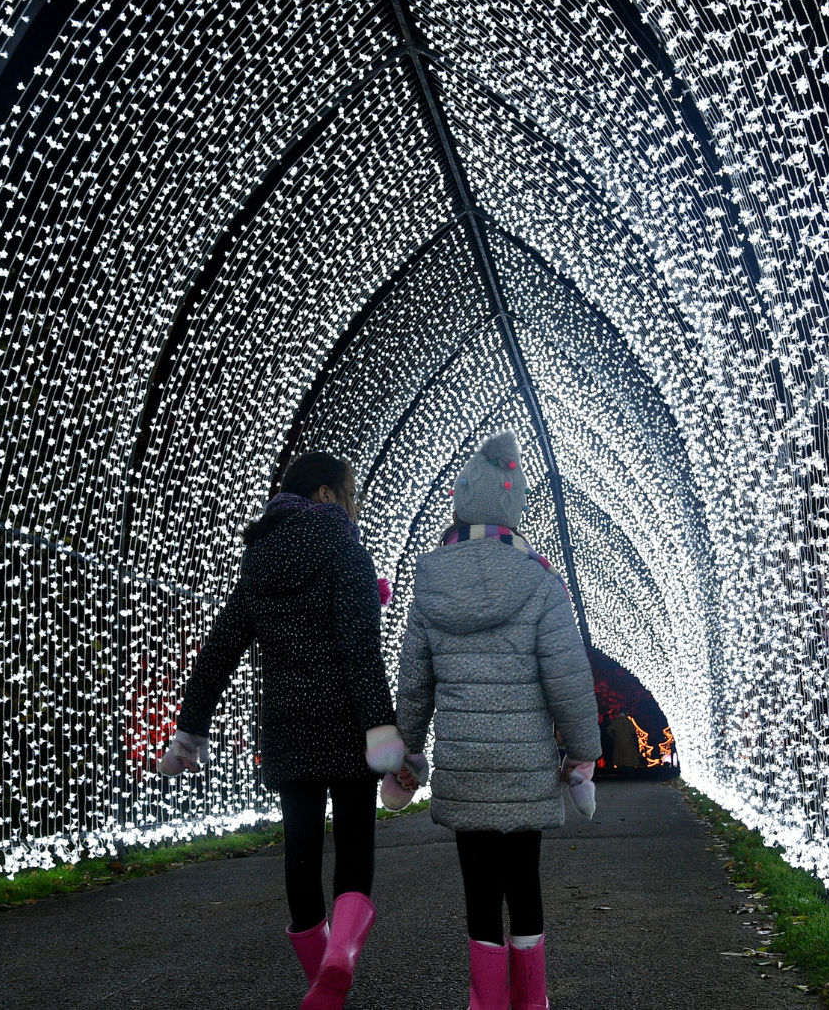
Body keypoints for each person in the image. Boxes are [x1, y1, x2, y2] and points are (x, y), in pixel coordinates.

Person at [154, 451, 404, 1010]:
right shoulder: (347, 552)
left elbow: (220, 649)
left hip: (287, 727)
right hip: (345, 722)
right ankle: (340, 958)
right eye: (348, 493)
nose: (355, 504)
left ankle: (320, 976)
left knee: (301, 848)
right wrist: (382, 732)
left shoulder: (259, 560)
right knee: (356, 845)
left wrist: (190, 729)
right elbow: (361, 654)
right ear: (323, 496)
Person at [391, 432, 601, 1010]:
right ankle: (531, 1002)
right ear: (514, 508)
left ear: (458, 504)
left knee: (479, 890)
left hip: (465, 762)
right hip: (526, 763)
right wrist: (582, 750)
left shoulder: (430, 585)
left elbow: (414, 684)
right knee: (524, 882)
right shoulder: (539, 581)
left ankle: (484, 1001)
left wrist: (405, 754)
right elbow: (567, 676)